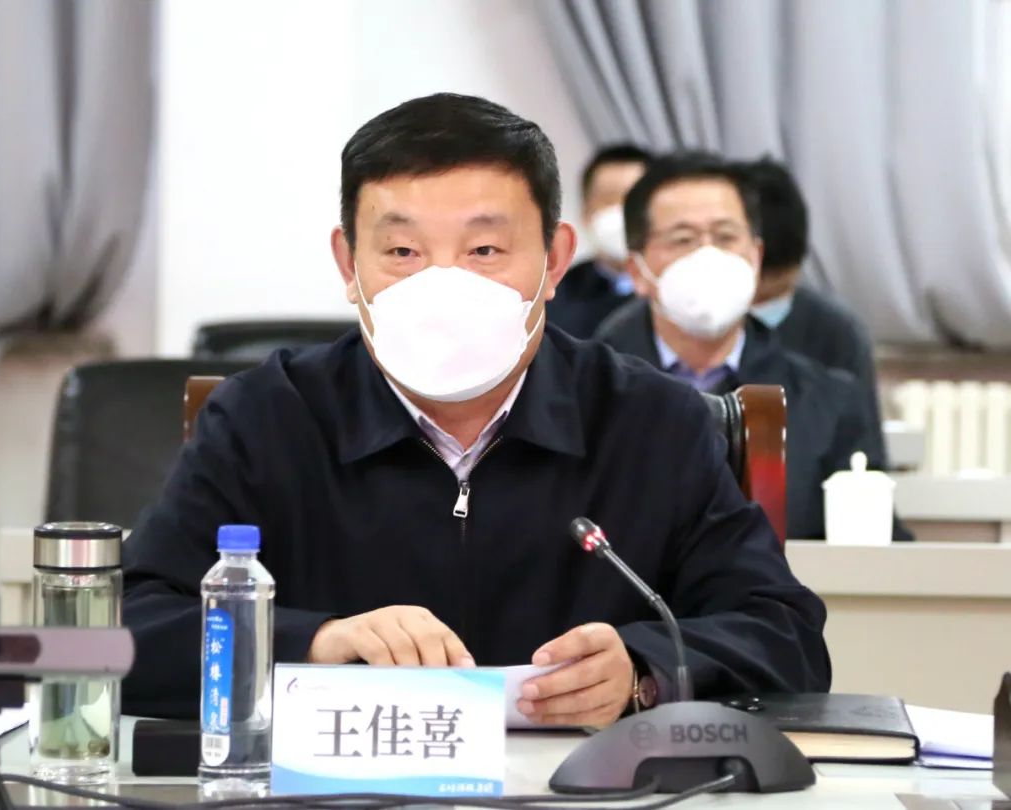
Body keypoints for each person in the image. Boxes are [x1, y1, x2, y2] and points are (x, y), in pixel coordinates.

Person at [122, 95, 830, 724]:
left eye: (485, 249)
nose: (443, 286)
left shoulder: (652, 422)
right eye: (403, 251)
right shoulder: (268, 417)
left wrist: (644, 671)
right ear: (348, 265)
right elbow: (121, 634)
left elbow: (785, 636)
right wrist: (316, 642)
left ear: (555, 261)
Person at [595, 152, 893, 540]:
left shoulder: (830, 402)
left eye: (725, 237)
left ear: (755, 257)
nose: (708, 255)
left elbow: (874, 543)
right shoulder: (592, 396)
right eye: (683, 239)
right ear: (637, 270)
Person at [743, 157, 884, 445]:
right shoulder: (684, 322)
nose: (760, 302)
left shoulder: (838, 331)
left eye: (776, 287)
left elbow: (863, 444)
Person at [545, 145, 653, 338]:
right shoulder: (554, 295)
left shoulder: (677, 290)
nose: (622, 212)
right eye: (609, 200)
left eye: (633, 200)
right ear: (586, 213)